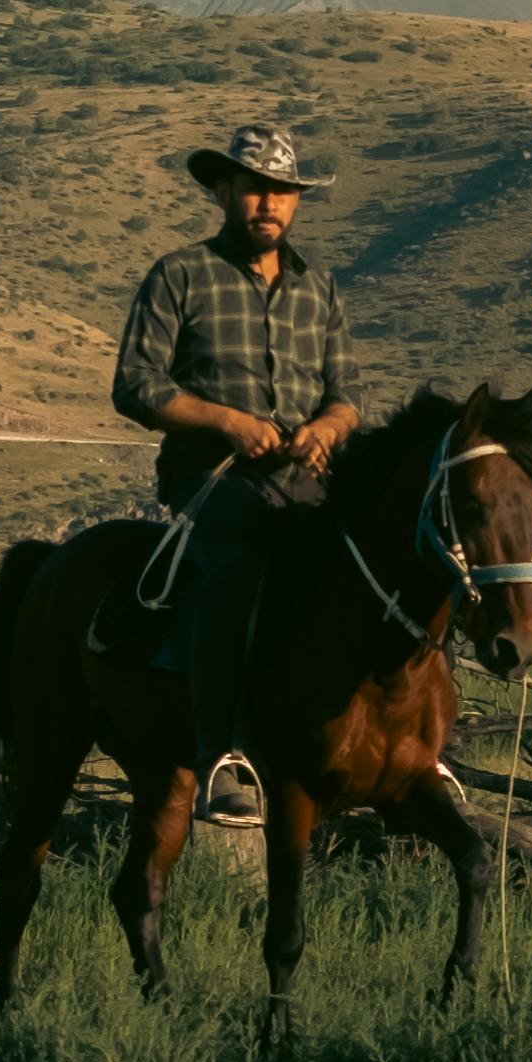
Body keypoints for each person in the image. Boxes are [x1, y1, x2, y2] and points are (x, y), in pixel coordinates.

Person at [112, 123, 360, 821]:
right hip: (211, 477)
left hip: (307, 479)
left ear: (298, 202)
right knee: (235, 560)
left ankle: (404, 744)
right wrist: (229, 422)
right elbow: (135, 384)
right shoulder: (181, 275)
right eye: (255, 189)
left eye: (283, 192)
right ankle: (222, 750)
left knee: (383, 561)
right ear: (224, 190)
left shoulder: (320, 290)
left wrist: (324, 429)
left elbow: (349, 395)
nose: (268, 204)